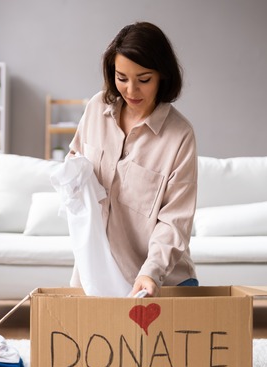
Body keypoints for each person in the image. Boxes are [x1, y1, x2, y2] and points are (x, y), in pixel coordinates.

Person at [68, 21, 198, 297]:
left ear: (162, 75)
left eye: (143, 79)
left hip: (159, 282)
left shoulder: (180, 136)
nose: (131, 90)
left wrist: (151, 271)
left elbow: (175, 221)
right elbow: (75, 160)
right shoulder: (96, 109)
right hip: (96, 277)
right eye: (122, 78)